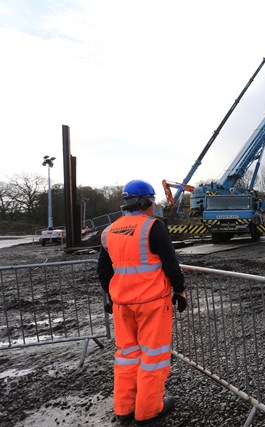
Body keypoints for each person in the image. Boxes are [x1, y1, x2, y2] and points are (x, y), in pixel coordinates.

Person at [97, 179, 186, 425]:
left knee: (126, 356)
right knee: (153, 357)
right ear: (146, 202)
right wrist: (180, 290)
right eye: (153, 201)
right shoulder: (152, 227)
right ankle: (148, 411)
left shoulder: (109, 231)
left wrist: (111, 295)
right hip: (152, 303)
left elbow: (103, 271)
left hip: (122, 305)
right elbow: (171, 264)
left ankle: (124, 408)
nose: (155, 205)